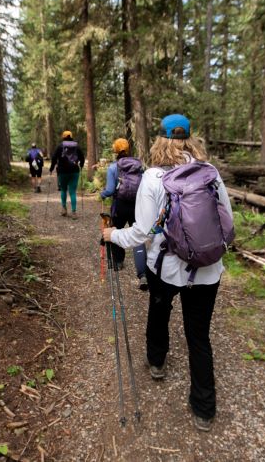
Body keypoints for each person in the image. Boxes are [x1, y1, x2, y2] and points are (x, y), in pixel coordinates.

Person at [102, 114, 233, 432]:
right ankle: (204, 408)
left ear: (160, 140)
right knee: (199, 336)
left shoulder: (153, 178)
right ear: (191, 139)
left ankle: (157, 361)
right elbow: (227, 221)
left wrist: (111, 236)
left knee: (159, 312)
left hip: (166, 268)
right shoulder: (211, 174)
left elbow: (140, 234)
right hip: (207, 269)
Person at [100, 138, 148, 291]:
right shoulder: (139, 166)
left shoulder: (113, 167)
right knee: (138, 236)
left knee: (115, 231)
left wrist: (102, 194)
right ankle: (142, 274)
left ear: (115, 150)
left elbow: (109, 189)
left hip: (120, 205)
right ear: (128, 149)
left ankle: (119, 262)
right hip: (137, 206)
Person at [49, 130, 85, 219]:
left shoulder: (60, 146)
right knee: (72, 192)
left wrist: (51, 168)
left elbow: (54, 158)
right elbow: (82, 157)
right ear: (71, 136)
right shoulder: (76, 146)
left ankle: (64, 209)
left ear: (63, 137)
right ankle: (74, 212)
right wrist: (81, 165)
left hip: (62, 171)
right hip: (74, 171)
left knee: (63, 190)